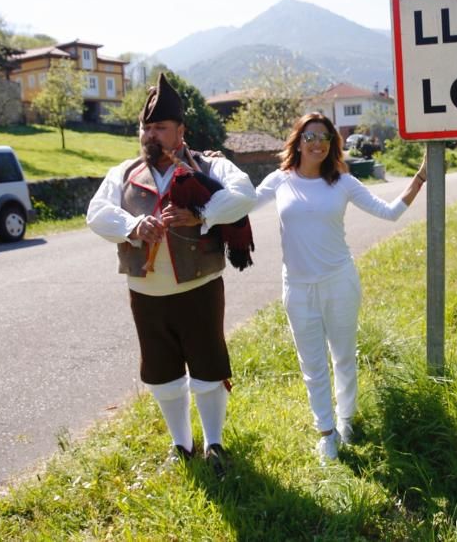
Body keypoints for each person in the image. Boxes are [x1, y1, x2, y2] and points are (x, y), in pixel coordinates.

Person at [86, 73, 256, 478]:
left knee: (208, 365)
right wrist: (132, 225)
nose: (151, 134)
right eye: (146, 127)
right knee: (161, 372)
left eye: (160, 127)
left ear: (180, 131)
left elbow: (245, 193)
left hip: (199, 289)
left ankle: (214, 443)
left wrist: (202, 214)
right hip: (145, 294)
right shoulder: (123, 173)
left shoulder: (210, 164)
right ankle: (182, 444)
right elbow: (96, 213)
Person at [255, 113, 427, 462]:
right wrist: (211, 176)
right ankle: (326, 432)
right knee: (312, 363)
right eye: (310, 136)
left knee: (344, 356)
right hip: (298, 288)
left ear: (332, 144)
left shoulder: (343, 182)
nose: (317, 142)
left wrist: (421, 177)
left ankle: (345, 421)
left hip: (339, 282)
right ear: (298, 141)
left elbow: (390, 212)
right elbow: (241, 204)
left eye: (324, 137)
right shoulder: (279, 180)